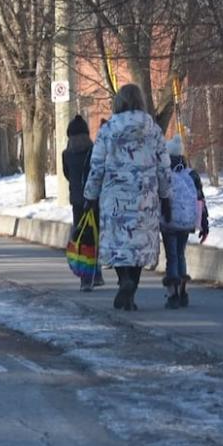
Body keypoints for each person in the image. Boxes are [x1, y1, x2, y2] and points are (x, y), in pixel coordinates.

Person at [83, 84, 171, 311]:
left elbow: (97, 166)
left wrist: (90, 196)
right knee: (139, 244)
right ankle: (131, 289)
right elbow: (164, 166)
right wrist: (165, 195)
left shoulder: (108, 130)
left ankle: (124, 281)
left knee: (119, 243)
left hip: (115, 199)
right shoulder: (153, 129)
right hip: (145, 199)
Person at [160, 135, 210, 309]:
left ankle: (172, 295)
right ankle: (183, 293)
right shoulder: (191, 174)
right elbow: (200, 201)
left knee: (171, 257)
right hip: (186, 222)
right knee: (180, 255)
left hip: (168, 222)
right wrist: (204, 224)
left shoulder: (164, 172)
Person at [62, 115, 104, 291]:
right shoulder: (94, 151)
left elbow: (66, 174)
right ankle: (96, 274)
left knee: (81, 238)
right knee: (94, 237)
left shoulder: (66, 154)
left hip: (77, 202)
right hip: (94, 200)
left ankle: (86, 278)